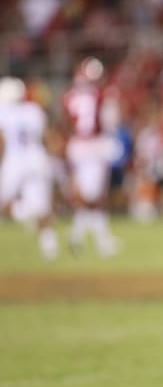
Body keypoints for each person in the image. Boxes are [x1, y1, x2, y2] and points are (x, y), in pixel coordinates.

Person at [61, 56, 120, 256]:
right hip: (94, 145)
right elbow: (108, 122)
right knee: (95, 197)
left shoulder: (69, 96)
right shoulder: (101, 95)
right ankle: (101, 241)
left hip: (77, 146)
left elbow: (67, 123)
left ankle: (77, 237)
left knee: (88, 196)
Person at [0, 76, 59, 259]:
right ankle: (49, 246)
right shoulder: (34, 110)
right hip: (37, 158)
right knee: (41, 206)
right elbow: (47, 138)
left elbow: (2, 142)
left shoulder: (3, 111)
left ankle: (24, 213)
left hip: (14, 160)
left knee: (5, 203)